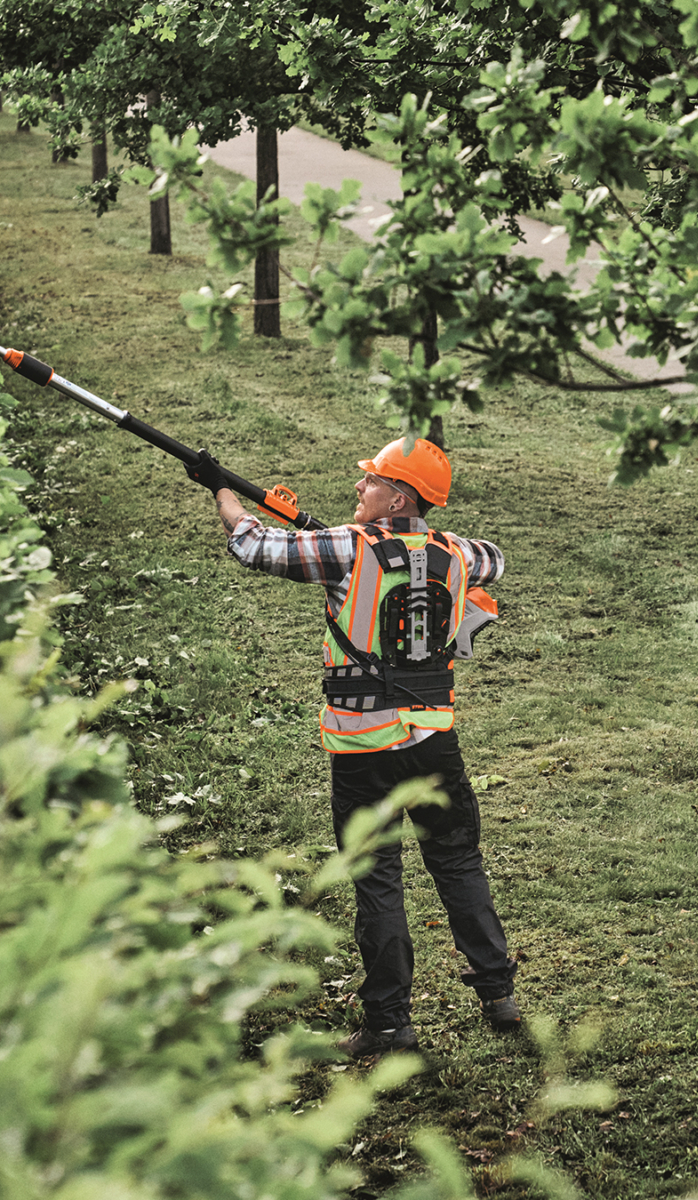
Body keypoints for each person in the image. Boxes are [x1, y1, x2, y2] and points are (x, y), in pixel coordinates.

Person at [205, 435, 520, 1057]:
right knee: (458, 863)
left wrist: (222, 490)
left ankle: (390, 1026)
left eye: (371, 479)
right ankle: (499, 994)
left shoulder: (346, 548)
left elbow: (253, 545)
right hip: (434, 740)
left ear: (397, 496)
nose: (359, 485)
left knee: (378, 880)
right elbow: (495, 559)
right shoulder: (457, 552)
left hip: (363, 748)